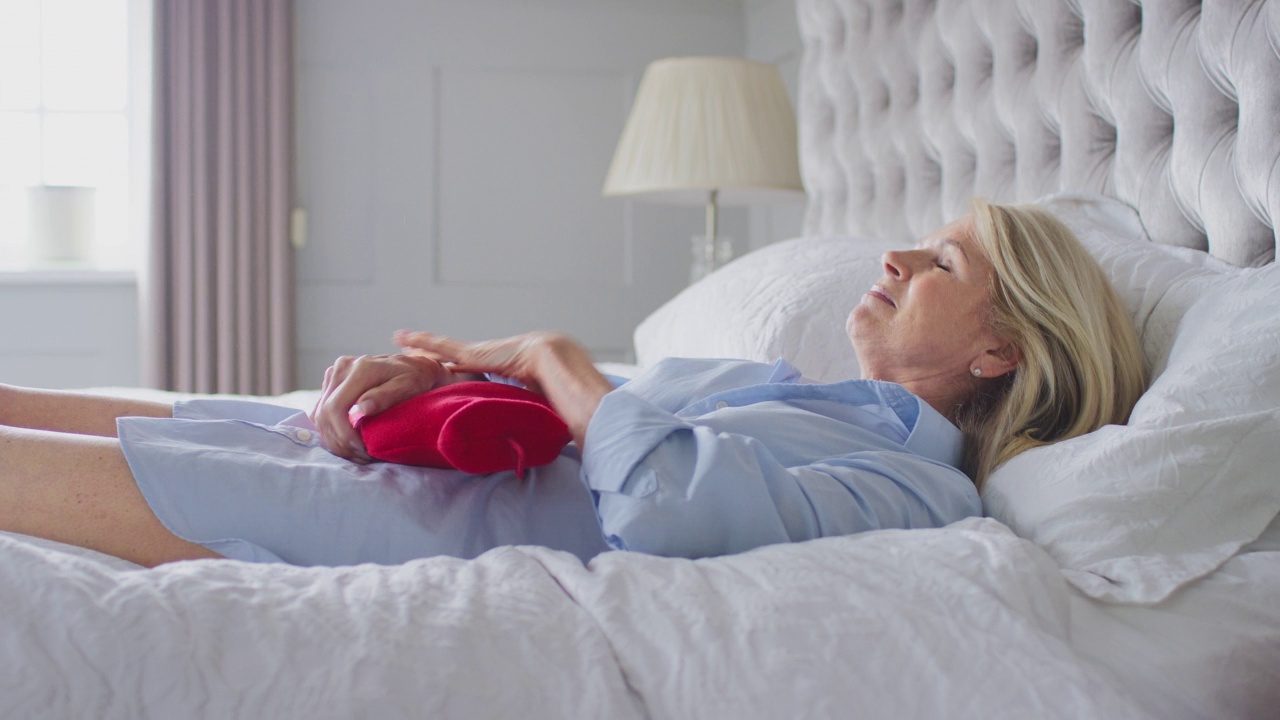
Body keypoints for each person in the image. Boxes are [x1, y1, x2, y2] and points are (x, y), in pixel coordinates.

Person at [0, 200, 1145, 568]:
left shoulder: (920, 497)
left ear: (999, 351)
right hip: (391, 461)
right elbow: (607, 422)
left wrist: (551, 356)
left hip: (401, 522)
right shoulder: (796, 390)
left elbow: (659, 499)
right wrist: (438, 380)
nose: (892, 259)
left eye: (941, 263)